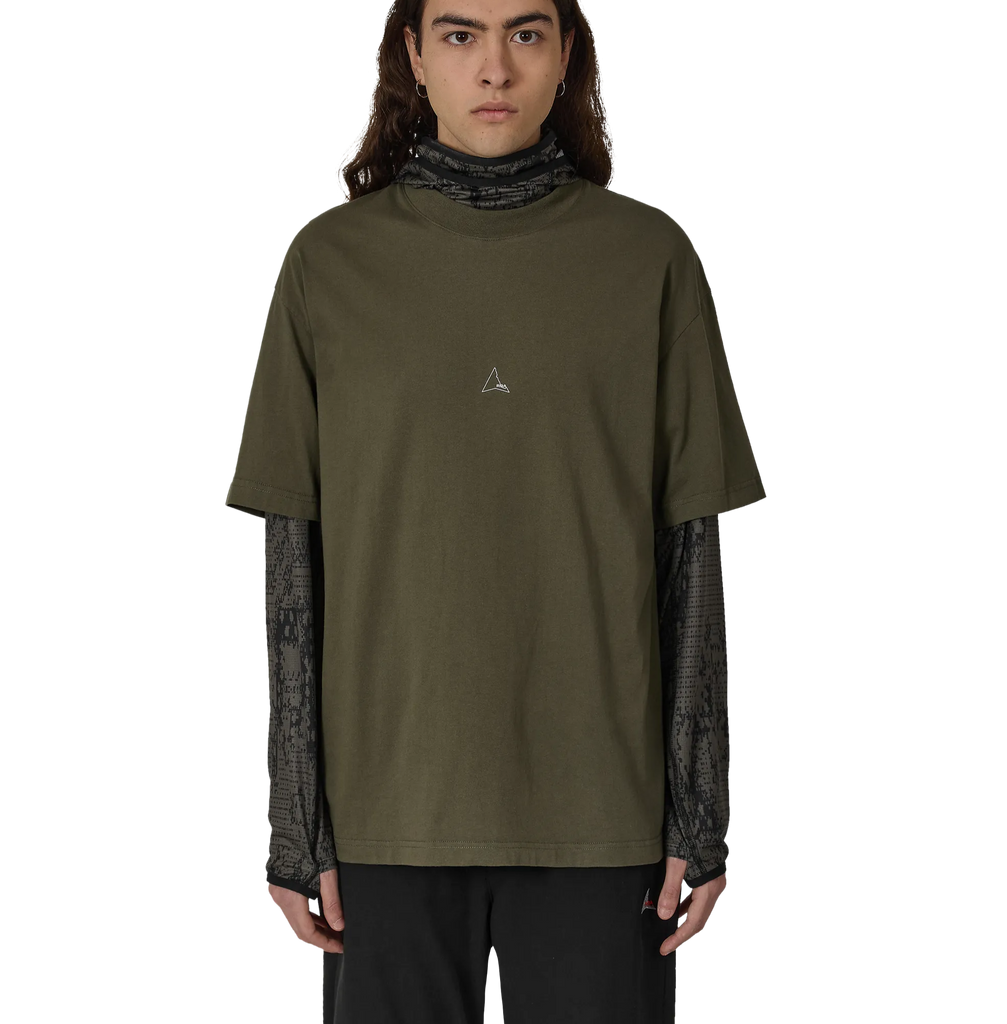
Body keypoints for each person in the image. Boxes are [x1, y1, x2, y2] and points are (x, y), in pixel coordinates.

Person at [222, 1, 768, 1020]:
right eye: (460, 34)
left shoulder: (649, 254)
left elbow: (690, 550)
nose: (494, 68)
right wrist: (294, 826)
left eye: (524, 33)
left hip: (604, 812)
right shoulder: (326, 263)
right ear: (413, 56)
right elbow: (292, 561)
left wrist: (701, 810)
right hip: (385, 811)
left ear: (567, 57)